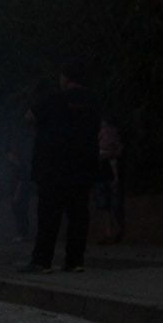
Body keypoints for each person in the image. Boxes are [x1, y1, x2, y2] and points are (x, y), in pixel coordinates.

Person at [24, 61, 102, 273]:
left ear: (66, 78)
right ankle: (75, 261)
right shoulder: (93, 101)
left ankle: (42, 261)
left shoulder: (54, 98)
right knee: (78, 214)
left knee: (49, 214)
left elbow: (30, 117)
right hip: (83, 164)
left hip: (53, 166)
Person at [94, 115, 125, 244]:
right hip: (102, 173)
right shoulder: (100, 135)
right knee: (105, 205)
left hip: (109, 173)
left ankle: (115, 231)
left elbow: (118, 151)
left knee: (112, 204)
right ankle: (109, 232)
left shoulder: (111, 134)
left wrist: (106, 154)